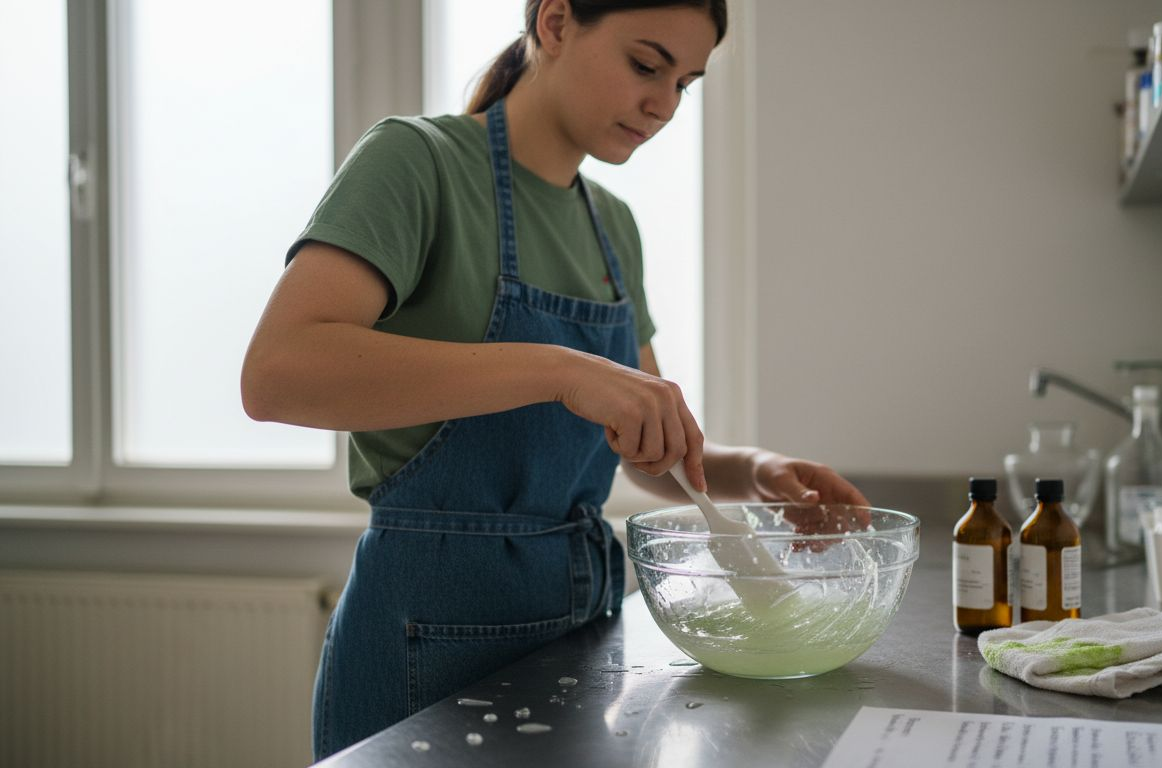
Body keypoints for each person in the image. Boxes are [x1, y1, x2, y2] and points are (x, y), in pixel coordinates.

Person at [241, 0, 870, 759]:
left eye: (685, 83)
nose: (663, 105)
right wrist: (559, 369)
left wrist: (757, 473)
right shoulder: (417, 162)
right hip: (421, 641)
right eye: (646, 65)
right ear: (556, 23)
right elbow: (277, 374)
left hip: (578, 637)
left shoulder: (613, 226)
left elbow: (652, 453)